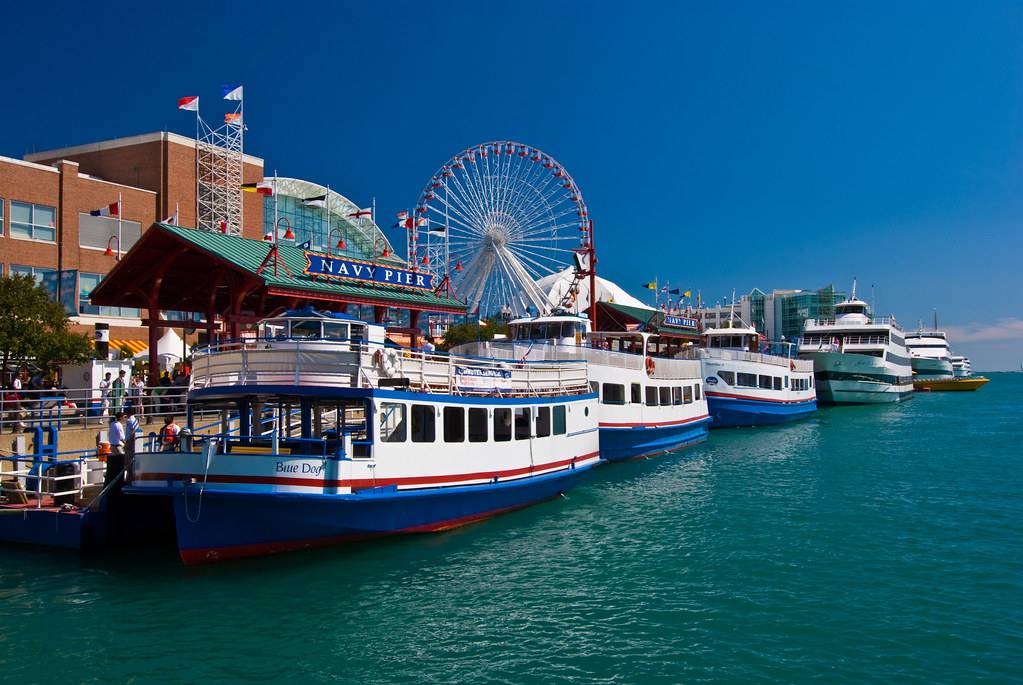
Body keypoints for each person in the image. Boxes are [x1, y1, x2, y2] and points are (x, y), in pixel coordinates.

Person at [105, 411, 127, 485]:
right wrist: (126, 444)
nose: (125, 419)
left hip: (112, 446)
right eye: (124, 417)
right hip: (118, 446)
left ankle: (114, 479)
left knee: (114, 464)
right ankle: (120, 480)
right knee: (121, 463)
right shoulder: (118, 425)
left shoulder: (112, 424)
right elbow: (121, 437)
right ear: (121, 418)